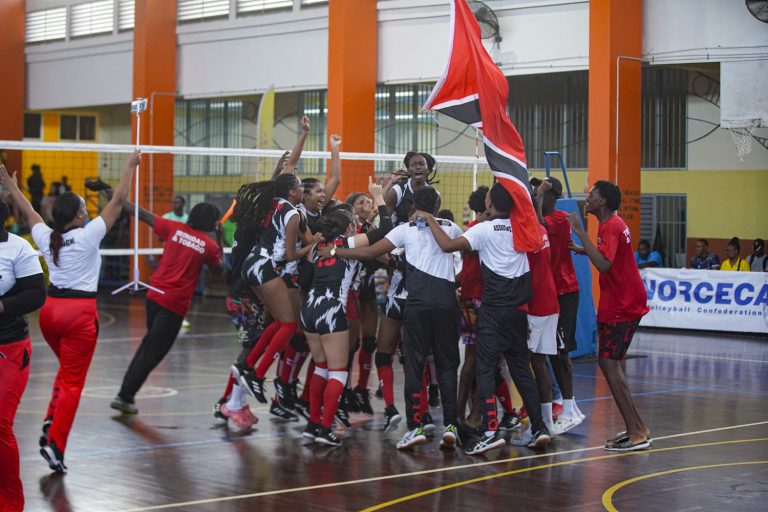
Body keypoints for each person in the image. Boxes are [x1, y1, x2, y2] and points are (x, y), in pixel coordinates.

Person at [2, 153, 138, 473]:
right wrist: (130, 166)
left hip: (50, 313)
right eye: (84, 208)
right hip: (78, 314)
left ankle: (51, 419)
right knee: (74, 382)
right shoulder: (89, 235)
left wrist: (11, 186)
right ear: (79, 214)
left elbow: (31, 211)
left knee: (67, 373)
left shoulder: (46, 236)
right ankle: (55, 445)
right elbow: (118, 202)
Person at [321, 186, 462, 450]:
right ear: (438, 204)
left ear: (412, 206)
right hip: (446, 303)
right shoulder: (452, 228)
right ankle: (451, 426)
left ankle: (415, 426)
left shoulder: (404, 230)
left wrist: (333, 252)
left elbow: (368, 253)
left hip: (416, 303)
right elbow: (463, 258)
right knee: (446, 365)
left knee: (414, 363)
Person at [416, 182, 551, 454]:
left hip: (494, 309)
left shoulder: (483, 229)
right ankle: (539, 428)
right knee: (522, 370)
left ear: (489, 205)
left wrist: (430, 219)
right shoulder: (523, 227)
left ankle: (490, 429)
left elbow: (447, 246)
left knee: (485, 368)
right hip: (518, 311)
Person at [111, 199, 225, 414]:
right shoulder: (209, 246)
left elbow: (142, 214)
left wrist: (114, 195)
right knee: (152, 351)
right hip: (174, 304)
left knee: (149, 346)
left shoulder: (173, 228)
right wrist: (219, 239)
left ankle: (125, 394)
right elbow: (220, 272)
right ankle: (124, 395)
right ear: (211, 222)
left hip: (154, 296)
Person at [301, 177, 392, 446]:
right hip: (331, 307)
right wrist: (379, 197)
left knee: (320, 369)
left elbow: (305, 279)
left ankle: (313, 424)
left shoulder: (317, 247)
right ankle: (326, 428)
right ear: (350, 227)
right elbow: (386, 228)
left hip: (309, 309)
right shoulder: (346, 244)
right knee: (338, 372)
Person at [568, 180, 651, 452]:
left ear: (602, 201)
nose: (587, 198)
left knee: (608, 363)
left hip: (622, 304)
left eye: (591, 195)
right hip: (621, 301)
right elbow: (608, 258)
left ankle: (637, 431)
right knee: (611, 364)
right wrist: (583, 249)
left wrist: (580, 233)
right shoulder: (611, 225)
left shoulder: (611, 226)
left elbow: (604, 265)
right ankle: (636, 428)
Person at [231, 174, 314, 403]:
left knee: (279, 321)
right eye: (300, 188)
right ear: (291, 191)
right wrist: (311, 248)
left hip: (252, 262)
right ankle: (256, 376)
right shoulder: (292, 214)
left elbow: (285, 173)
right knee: (289, 325)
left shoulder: (274, 202)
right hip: (264, 266)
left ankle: (248, 366)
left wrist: (313, 240)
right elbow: (290, 254)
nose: (303, 192)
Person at [0, 194, 46, 511]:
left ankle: (10, 502)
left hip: (9, 346)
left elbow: (35, 294)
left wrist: (2, 305)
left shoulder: (17, 248)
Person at [534, 177, 585, 435]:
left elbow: (538, 224)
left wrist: (538, 196)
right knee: (552, 352)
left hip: (563, 292)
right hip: (554, 293)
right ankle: (569, 406)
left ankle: (567, 407)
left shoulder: (558, 218)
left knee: (561, 352)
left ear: (553, 196)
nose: (537, 194)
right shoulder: (558, 217)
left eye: (542, 191)